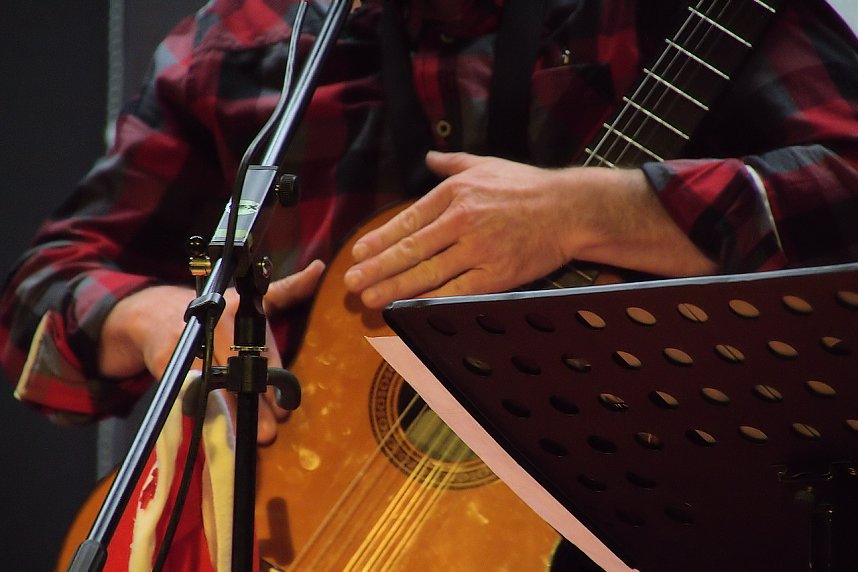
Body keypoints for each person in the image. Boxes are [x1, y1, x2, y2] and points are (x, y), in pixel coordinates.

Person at [2, 0, 857, 568]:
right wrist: (159, 320)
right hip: (292, 525)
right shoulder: (240, 41)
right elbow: (41, 289)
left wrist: (605, 210)